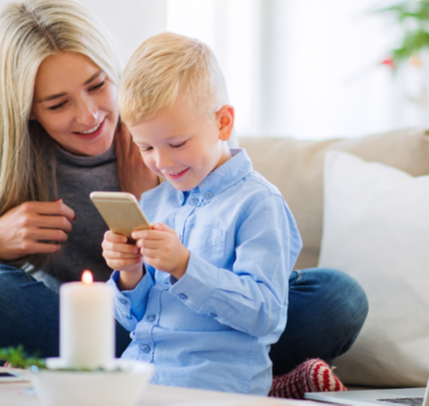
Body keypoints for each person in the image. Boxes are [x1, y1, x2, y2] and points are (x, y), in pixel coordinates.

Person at [0, 0, 368, 383]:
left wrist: (156, 198)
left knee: (338, 297)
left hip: (203, 326)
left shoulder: (172, 144)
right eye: (58, 104)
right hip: (96, 331)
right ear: (27, 112)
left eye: (98, 85)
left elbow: (255, 278)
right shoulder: (3, 168)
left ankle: (229, 375)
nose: (90, 116)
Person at [102, 32, 302, 395]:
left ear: (223, 123)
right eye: (145, 146)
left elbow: (266, 315)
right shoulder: (154, 202)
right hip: (136, 381)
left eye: (177, 143)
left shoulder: (259, 204)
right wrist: (129, 273)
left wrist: (184, 266)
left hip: (208, 388)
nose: (161, 162)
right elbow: (133, 320)